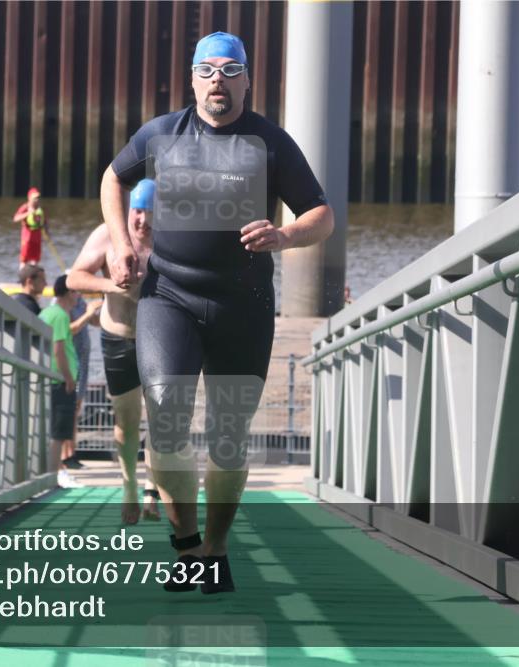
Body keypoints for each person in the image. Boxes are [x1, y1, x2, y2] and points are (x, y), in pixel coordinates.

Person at [100, 32, 334, 593]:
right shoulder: (161, 134)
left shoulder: (270, 143)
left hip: (243, 303)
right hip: (169, 295)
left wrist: (285, 234)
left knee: (229, 435)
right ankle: (185, 547)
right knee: (165, 415)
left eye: (231, 70)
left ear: (248, 80)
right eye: (207, 70)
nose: (218, 81)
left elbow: (321, 214)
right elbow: (114, 177)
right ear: (192, 79)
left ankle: (216, 547)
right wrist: (118, 243)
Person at [68, 178, 162, 524]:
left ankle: (153, 491)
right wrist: (111, 284)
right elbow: (74, 278)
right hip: (119, 337)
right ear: (129, 209)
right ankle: (129, 488)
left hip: (160, 340)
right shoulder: (108, 233)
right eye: (138, 211)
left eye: (151, 214)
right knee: (127, 423)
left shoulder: (170, 239)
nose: (143, 222)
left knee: (161, 422)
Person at [39, 275, 83, 489]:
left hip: (50, 378)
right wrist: (68, 377)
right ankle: (51, 479)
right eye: (75, 291)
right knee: (59, 432)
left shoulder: (47, 311)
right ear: (67, 292)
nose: (78, 295)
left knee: (53, 431)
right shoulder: (60, 316)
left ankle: (50, 476)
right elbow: (58, 349)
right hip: (60, 380)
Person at [62, 292, 102, 469]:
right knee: (68, 412)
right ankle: (65, 456)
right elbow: (71, 328)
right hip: (72, 364)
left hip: (82, 366)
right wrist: (88, 313)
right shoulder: (64, 304)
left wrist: (104, 308)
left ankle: (72, 453)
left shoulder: (80, 302)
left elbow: (94, 322)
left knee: (76, 410)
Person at [14, 187, 48, 268]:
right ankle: (22, 275)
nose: (37, 200)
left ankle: (33, 276)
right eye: (35, 198)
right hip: (27, 238)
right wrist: (28, 213)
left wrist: (46, 231)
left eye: (38, 198)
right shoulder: (25, 207)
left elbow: (45, 221)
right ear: (29, 198)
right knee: (24, 259)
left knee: (35, 260)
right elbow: (15, 218)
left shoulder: (40, 209)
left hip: (37, 238)